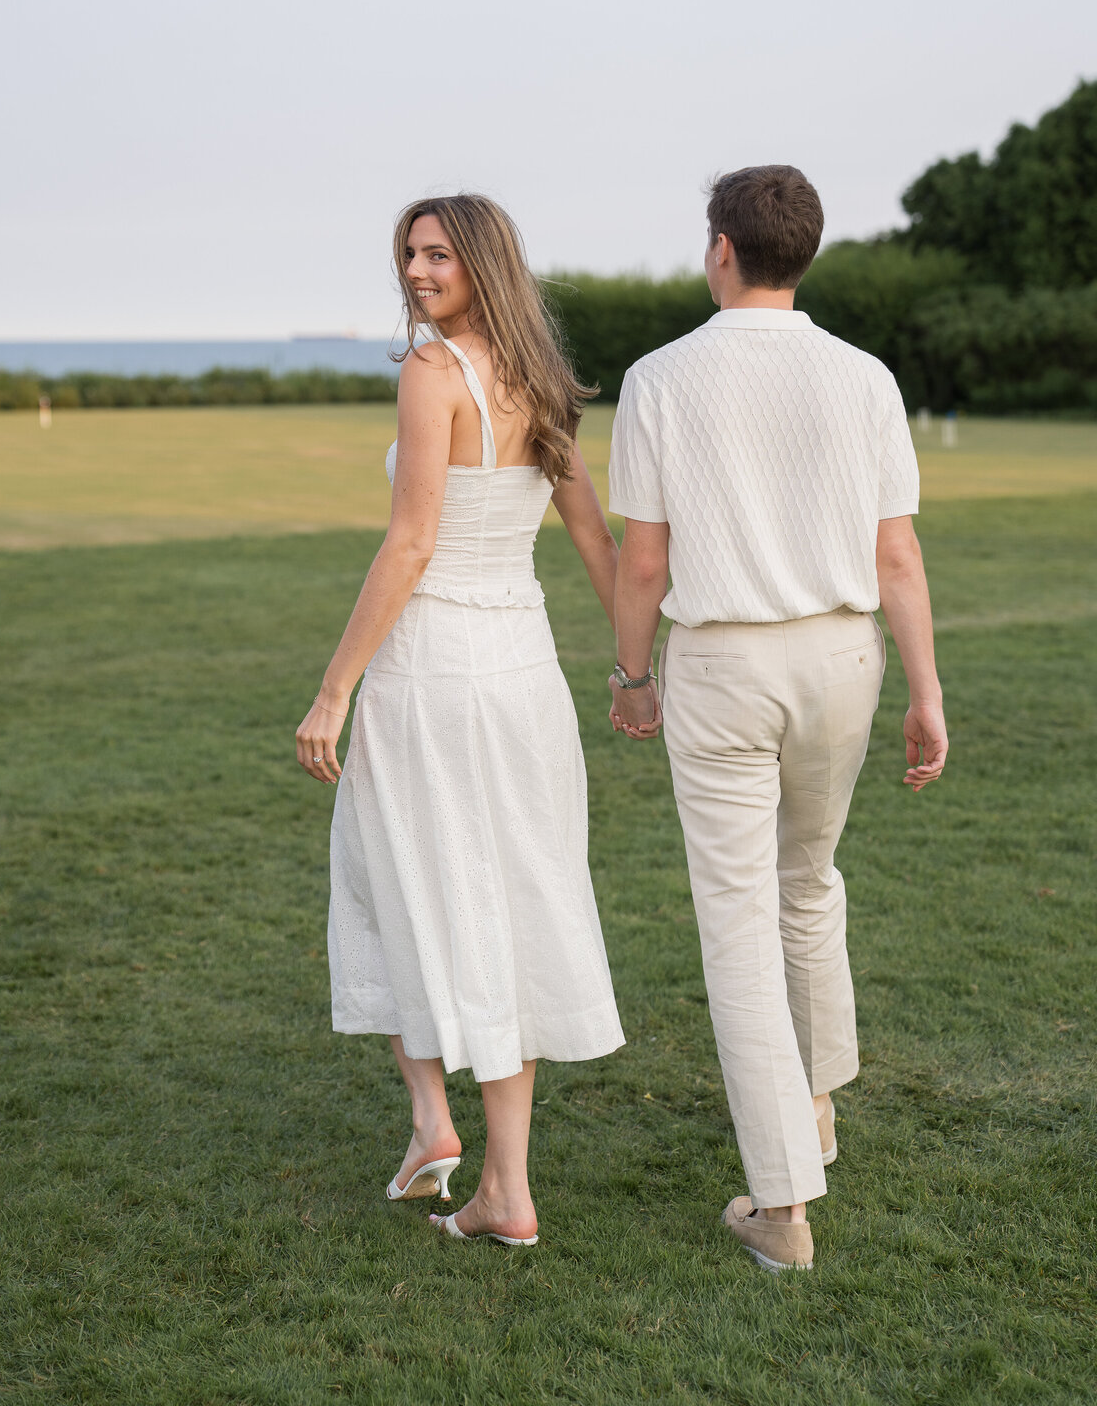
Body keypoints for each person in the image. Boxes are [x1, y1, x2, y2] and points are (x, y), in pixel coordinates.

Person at [606, 165, 948, 1273]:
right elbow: (898, 554)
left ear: (721, 248)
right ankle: (815, 1104)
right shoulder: (866, 376)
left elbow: (644, 562)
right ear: (803, 252)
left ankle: (783, 1204)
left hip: (724, 662)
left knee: (742, 915)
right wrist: (927, 691)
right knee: (809, 881)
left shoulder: (661, 378)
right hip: (845, 658)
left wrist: (628, 675)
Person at [295, 194, 624, 1248]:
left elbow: (410, 546)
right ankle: (494, 1180)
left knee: (395, 880)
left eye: (437, 254)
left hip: (433, 669)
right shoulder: (542, 383)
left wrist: (333, 688)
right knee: (504, 900)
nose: (417, 270)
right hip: (522, 672)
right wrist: (632, 671)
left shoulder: (433, 375)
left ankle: (439, 1123)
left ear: (483, 263)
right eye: (408, 253)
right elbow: (595, 543)